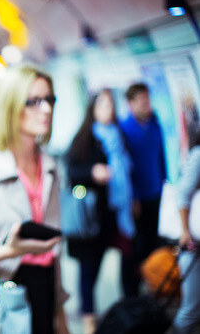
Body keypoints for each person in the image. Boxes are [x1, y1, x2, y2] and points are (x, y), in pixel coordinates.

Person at [0, 63, 69, 334]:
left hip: (46, 284)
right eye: (34, 102)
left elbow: (53, 249)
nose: (47, 109)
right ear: (10, 106)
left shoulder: (53, 167)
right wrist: (13, 250)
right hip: (0, 291)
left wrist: (60, 313)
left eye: (49, 99)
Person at [65, 89, 135, 334]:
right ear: (92, 108)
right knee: (88, 269)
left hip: (115, 214)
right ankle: (88, 319)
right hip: (90, 218)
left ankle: (130, 310)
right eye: (102, 104)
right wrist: (92, 173)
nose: (107, 109)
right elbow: (72, 172)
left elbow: (128, 172)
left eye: (110, 104)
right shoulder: (85, 138)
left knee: (124, 263)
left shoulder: (119, 136)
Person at [119, 82, 167, 297]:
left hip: (157, 193)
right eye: (142, 101)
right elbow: (125, 171)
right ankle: (131, 293)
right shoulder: (124, 130)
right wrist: (133, 198)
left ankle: (153, 287)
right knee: (133, 249)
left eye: (148, 100)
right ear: (130, 103)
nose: (147, 104)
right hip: (136, 200)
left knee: (153, 244)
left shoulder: (155, 124)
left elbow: (161, 158)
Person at [173, 129, 200, 334]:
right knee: (191, 310)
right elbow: (182, 193)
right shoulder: (198, 155)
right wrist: (184, 231)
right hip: (194, 246)